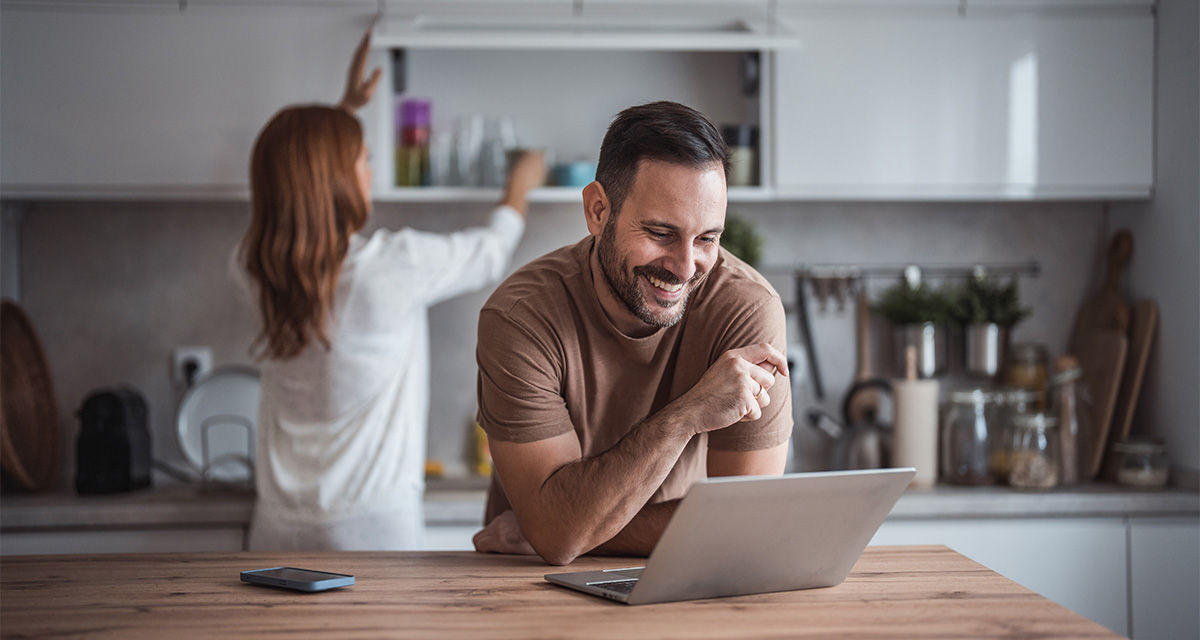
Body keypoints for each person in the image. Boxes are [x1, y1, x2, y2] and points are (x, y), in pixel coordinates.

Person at [233, 26, 546, 551]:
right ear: (340, 179)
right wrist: (521, 183)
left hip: (277, 527)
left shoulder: (253, 269)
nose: (370, 171)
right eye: (364, 159)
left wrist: (345, 111)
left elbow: (299, 182)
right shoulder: (391, 267)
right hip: (372, 531)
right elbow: (491, 250)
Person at [472, 101, 791, 565]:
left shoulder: (745, 309)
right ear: (598, 210)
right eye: (661, 233)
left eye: (707, 238)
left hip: (678, 580)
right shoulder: (522, 317)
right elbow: (557, 537)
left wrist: (570, 529)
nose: (685, 267)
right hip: (524, 585)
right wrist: (689, 414)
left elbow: (744, 522)